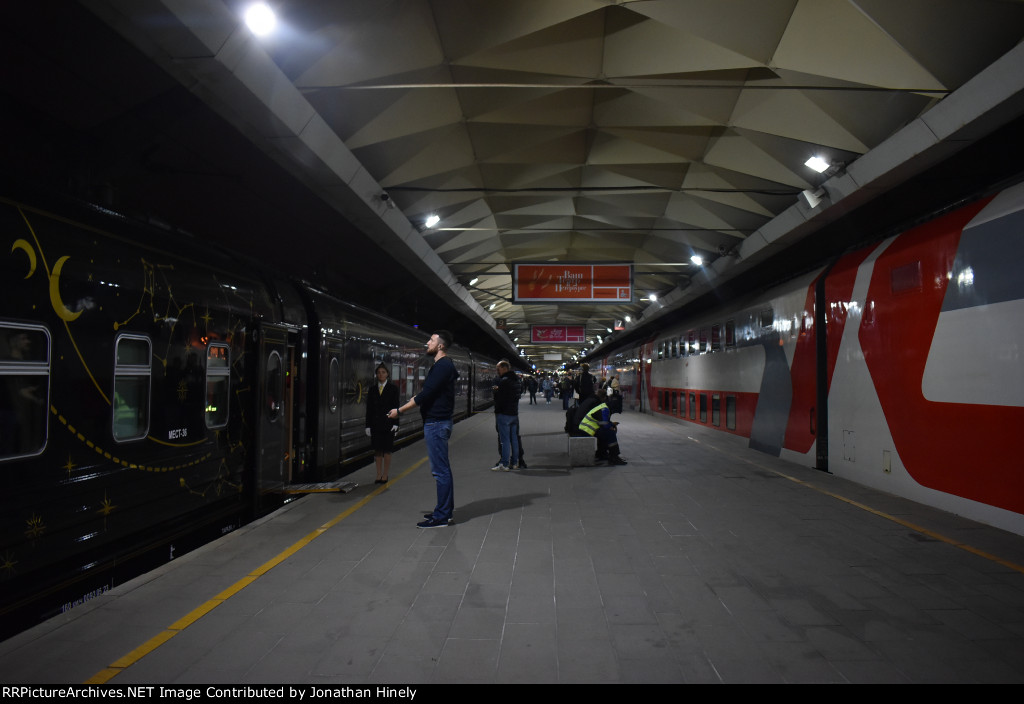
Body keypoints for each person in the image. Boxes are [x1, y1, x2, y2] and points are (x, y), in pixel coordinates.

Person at [388, 330, 459, 527]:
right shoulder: (443, 366)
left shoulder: (442, 366)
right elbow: (429, 394)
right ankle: (444, 511)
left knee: (440, 471)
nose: (427, 342)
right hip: (437, 422)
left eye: (431, 340)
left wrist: (399, 411)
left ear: (441, 346)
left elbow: (425, 395)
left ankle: (443, 516)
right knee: (442, 470)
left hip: (436, 423)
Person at [365, 363, 399, 483]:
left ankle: (385, 474)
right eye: (379, 372)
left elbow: (396, 407)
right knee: (378, 450)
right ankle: (378, 475)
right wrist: (367, 425)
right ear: (376, 375)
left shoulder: (393, 389)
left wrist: (396, 424)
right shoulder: (372, 389)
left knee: (387, 450)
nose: (381, 374)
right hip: (375, 424)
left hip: (388, 424)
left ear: (387, 374)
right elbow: (369, 409)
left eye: (383, 372)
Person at [578, 389, 626, 465]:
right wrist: (610, 426)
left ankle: (603, 454)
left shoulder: (604, 407)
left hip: (585, 429)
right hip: (587, 430)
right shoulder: (605, 409)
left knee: (606, 432)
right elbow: (605, 424)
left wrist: (611, 424)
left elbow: (603, 421)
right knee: (610, 433)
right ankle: (614, 456)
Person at [491, 360, 521, 471]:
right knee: (514, 439)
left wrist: (496, 392)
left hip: (504, 414)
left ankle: (504, 463)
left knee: (505, 440)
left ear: (504, 368)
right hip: (514, 414)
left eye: (498, 369)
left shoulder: (504, 381)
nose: (497, 371)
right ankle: (514, 462)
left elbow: (500, 399)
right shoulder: (517, 380)